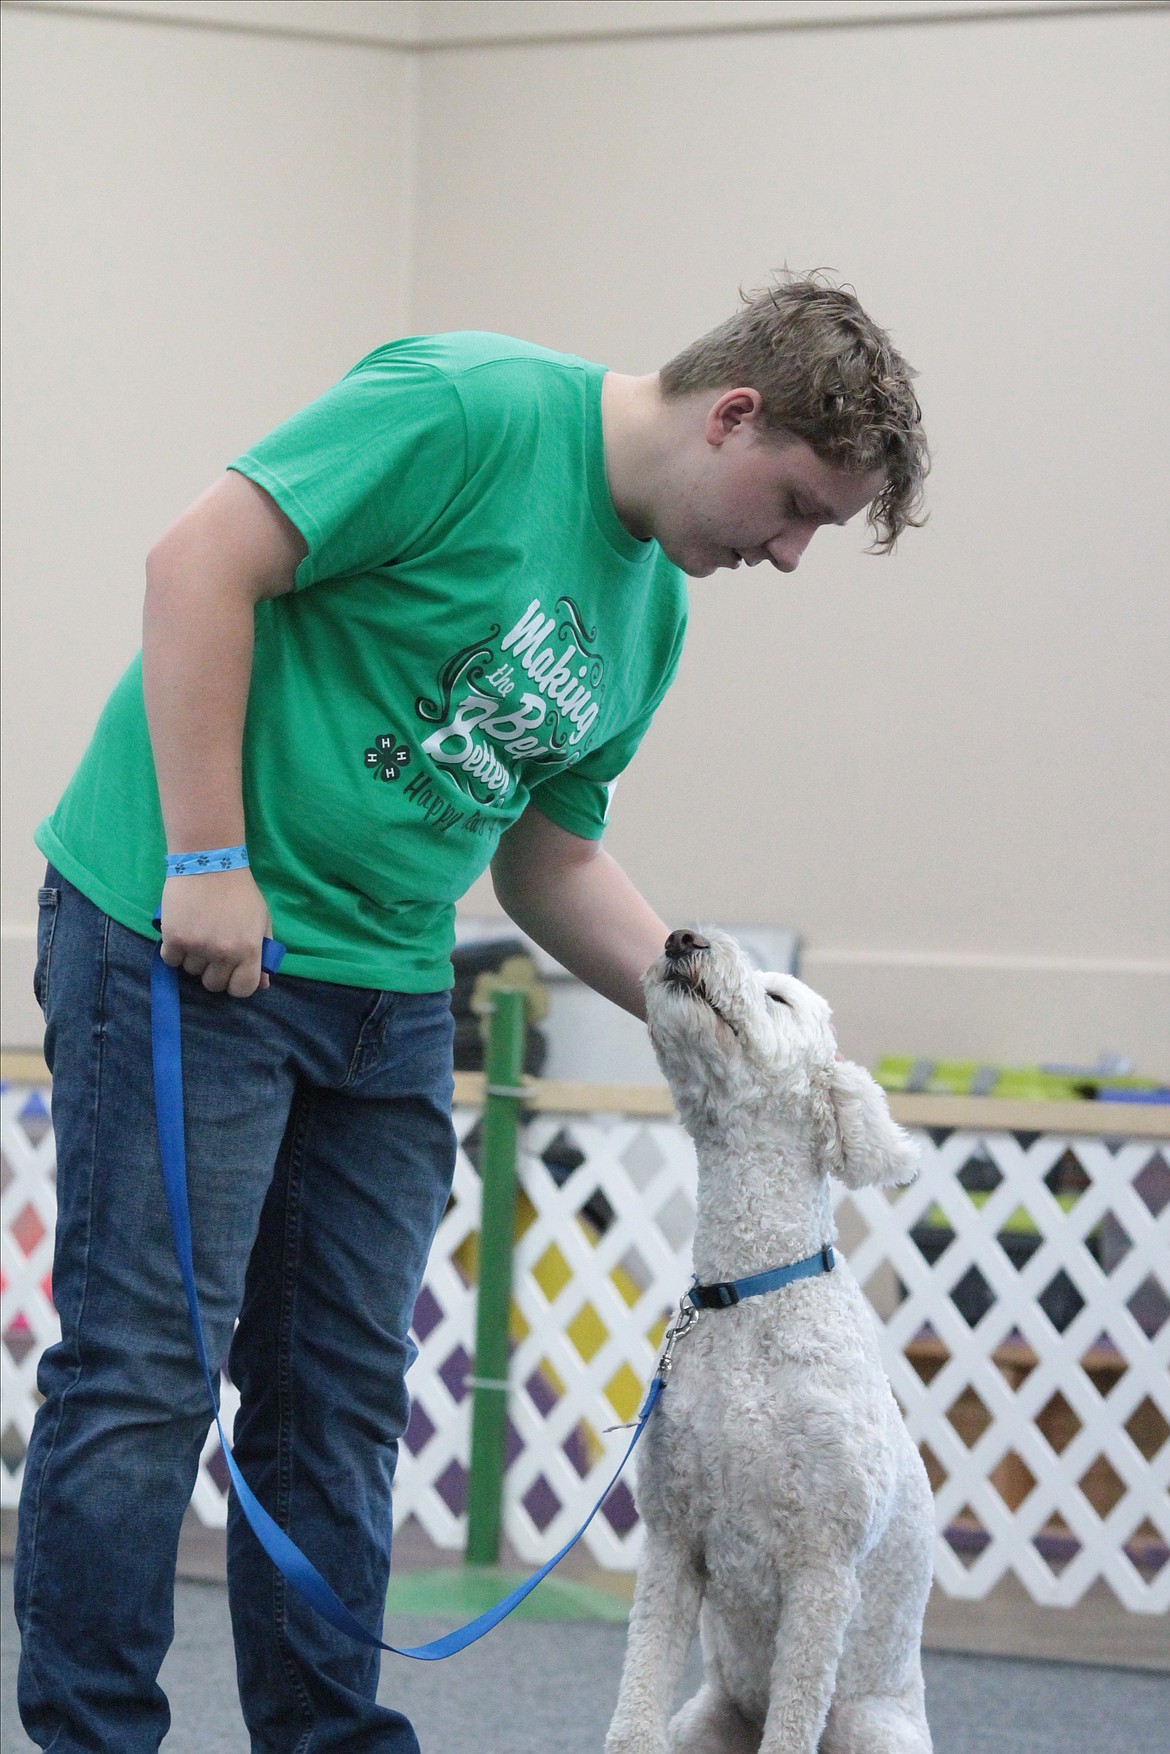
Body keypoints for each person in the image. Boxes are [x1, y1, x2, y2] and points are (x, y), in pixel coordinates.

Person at [15, 273, 928, 1753]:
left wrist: (724, 1025)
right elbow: (195, 564)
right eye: (797, 504)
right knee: (144, 1373)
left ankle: (324, 1738)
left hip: (383, 987)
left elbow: (548, 854)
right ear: (731, 414)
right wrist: (205, 857)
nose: (790, 551)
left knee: (339, 1398)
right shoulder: (470, 407)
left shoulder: (651, 615)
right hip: (181, 940)